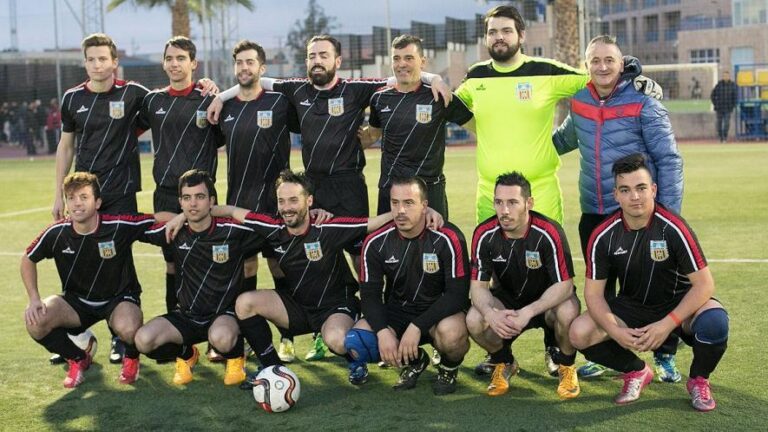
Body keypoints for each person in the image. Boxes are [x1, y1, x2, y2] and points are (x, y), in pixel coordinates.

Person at [208, 35, 450, 268]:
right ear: (306, 62)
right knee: (315, 250)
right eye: (312, 56)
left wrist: (434, 78)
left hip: (349, 186)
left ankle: (366, 305)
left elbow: (398, 78)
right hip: (313, 186)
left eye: (324, 55)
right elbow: (260, 81)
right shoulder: (296, 89)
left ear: (337, 61)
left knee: (359, 252)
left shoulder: (356, 89)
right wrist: (220, 96)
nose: (317, 60)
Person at [198, 170, 434, 386]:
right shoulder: (273, 227)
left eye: (293, 200)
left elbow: (371, 223)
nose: (287, 207)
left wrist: (424, 211)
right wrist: (183, 218)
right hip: (298, 306)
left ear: (309, 201)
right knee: (245, 303)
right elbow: (230, 211)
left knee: (338, 339)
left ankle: (357, 362)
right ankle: (271, 368)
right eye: (282, 201)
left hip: (335, 308)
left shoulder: (327, 227)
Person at [552, 35, 684, 381]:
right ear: (586, 65)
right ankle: (611, 353)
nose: (602, 67)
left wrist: (667, 216)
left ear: (622, 63)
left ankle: (665, 354)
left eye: (609, 60)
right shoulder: (579, 101)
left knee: (654, 288)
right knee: (602, 291)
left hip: (637, 214)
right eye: (595, 60)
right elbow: (563, 139)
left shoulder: (644, 100)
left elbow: (668, 160)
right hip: (594, 213)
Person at [569, 154, 729, 412]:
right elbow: (594, 295)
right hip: (632, 307)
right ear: (616, 195)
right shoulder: (603, 235)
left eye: (641, 188)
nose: (635, 197)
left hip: (678, 306)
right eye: (626, 190)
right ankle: (636, 371)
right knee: (579, 332)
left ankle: (699, 379)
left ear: (653, 190)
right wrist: (616, 331)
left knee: (715, 322)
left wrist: (667, 325)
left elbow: (704, 285)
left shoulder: (673, 227)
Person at [52, 33, 151, 365]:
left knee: (117, 258)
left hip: (120, 191)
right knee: (78, 257)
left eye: (103, 59)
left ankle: (118, 337)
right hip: (83, 195)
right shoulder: (71, 98)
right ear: (85, 63)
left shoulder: (133, 94)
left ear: (114, 62)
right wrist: (59, 195)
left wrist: (209, 87)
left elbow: (169, 102)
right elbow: (66, 146)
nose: (97, 64)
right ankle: (80, 333)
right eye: (91, 59)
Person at [217, 39, 307, 364]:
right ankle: (249, 337)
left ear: (262, 67)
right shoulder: (224, 108)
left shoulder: (279, 102)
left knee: (279, 265)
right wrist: (218, 95)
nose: (244, 68)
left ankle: (288, 336)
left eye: (250, 62)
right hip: (239, 205)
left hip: (276, 206)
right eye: (239, 63)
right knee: (245, 266)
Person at [22, 172, 155, 388]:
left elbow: (155, 219)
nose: (77, 204)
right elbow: (28, 259)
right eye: (72, 198)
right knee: (35, 321)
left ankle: (131, 356)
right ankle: (78, 358)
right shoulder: (57, 233)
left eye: (84, 197)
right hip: (77, 303)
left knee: (129, 327)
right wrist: (34, 297)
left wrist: (181, 217)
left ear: (98, 202)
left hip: (118, 300)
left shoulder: (118, 224)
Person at [134, 169, 264, 386]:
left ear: (211, 200)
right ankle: (186, 354)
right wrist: (180, 217)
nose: (193, 203)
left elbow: (263, 222)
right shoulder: (175, 232)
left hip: (224, 316)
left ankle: (235, 356)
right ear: (180, 202)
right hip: (186, 316)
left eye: (200, 197)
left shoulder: (232, 231)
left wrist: (229, 210)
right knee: (143, 340)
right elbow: (136, 224)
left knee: (222, 338)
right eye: (187, 198)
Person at [138, 36, 224, 359]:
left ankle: (220, 336)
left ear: (193, 64)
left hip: (201, 196)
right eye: (169, 58)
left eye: (181, 58)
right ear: (163, 64)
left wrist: (216, 90)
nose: (175, 64)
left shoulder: (208, 100)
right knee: (173, 262)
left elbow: (222, 138)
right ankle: (180, 340)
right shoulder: (151, 102)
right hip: (165, 196)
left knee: (208, 262)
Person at [345, 177, 469, 395]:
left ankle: (448, 368)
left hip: (438, 312)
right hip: (398, 312)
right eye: (395, 203)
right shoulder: (375, 242)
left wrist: (417, 326)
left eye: (409, 203)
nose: (400, 210)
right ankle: (415, 360)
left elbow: (457, 295)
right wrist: (383, 332)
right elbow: (370, 295)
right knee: (358, 340)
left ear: (425, 205)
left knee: (452, 334)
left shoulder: (448, 237)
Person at [466, 172, 580, 399]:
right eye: (499, 202)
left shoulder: (548, 232)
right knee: (474, 319)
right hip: (507, 300)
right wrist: (490, 313)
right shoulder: (484, 234)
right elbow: (478, 287)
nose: (504, 210)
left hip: (546, 302)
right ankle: (504, 362)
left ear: (529, 203)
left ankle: (566, 366)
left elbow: (565, 285)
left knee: (568, 310)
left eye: (512, 202)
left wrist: (528, 312)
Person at [359, 34, 474, 219]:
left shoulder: (440, 96)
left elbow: (477, 127)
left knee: (434, 246)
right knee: (390, 247)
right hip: (391, 190)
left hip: (430, 191)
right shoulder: (379, 98)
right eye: (396, 58)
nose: (401, 63)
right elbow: (372, 135)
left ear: (423, 62)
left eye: (408, 58)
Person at [710, 70, 738, 143]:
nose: (725, 77)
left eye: (727, 75)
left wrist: (733, 105)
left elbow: (735, 97)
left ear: (729, 76)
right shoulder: (719, 85)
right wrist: (715, 104)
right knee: (719, 124)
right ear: (723, 76)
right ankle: (721, 138)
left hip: (728, 108)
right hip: (719, 108)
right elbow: (712, 95)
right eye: (724, 75)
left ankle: (725, 137)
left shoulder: (733, 85)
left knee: (726, 124)